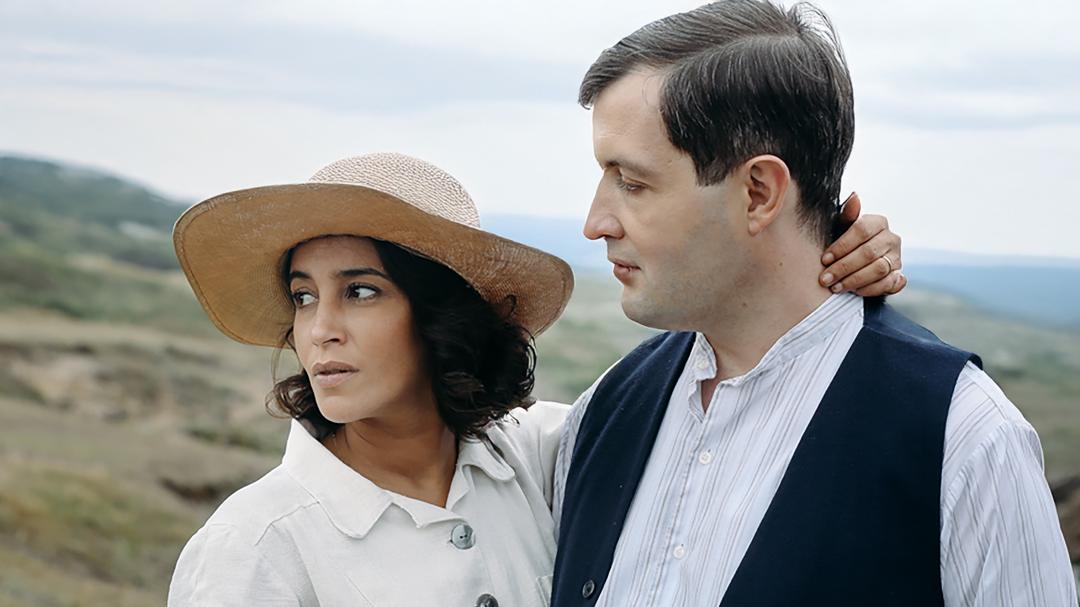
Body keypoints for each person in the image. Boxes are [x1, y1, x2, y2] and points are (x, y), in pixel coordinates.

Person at [166, 151, 904, 605]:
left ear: (442, 314)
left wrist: (825, 262)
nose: (319, 328)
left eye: (360, 291)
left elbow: (707, 388)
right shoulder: (255, 545)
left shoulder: (542, 457)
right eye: (303, 297)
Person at [550, 2, 1079, 606]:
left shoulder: (965, 439)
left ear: (758, 193)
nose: (595, 223)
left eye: (633, 182)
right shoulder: (604, 411)